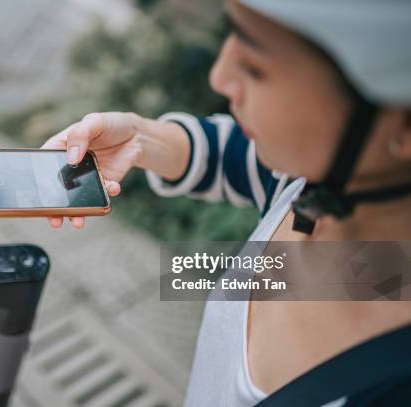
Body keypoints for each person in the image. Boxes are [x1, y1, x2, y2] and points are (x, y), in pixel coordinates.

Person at [42, 0, 411, 405]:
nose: (219, 77)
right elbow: (228, 155)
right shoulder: (305, 185)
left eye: (255, 67)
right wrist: (140, 140)